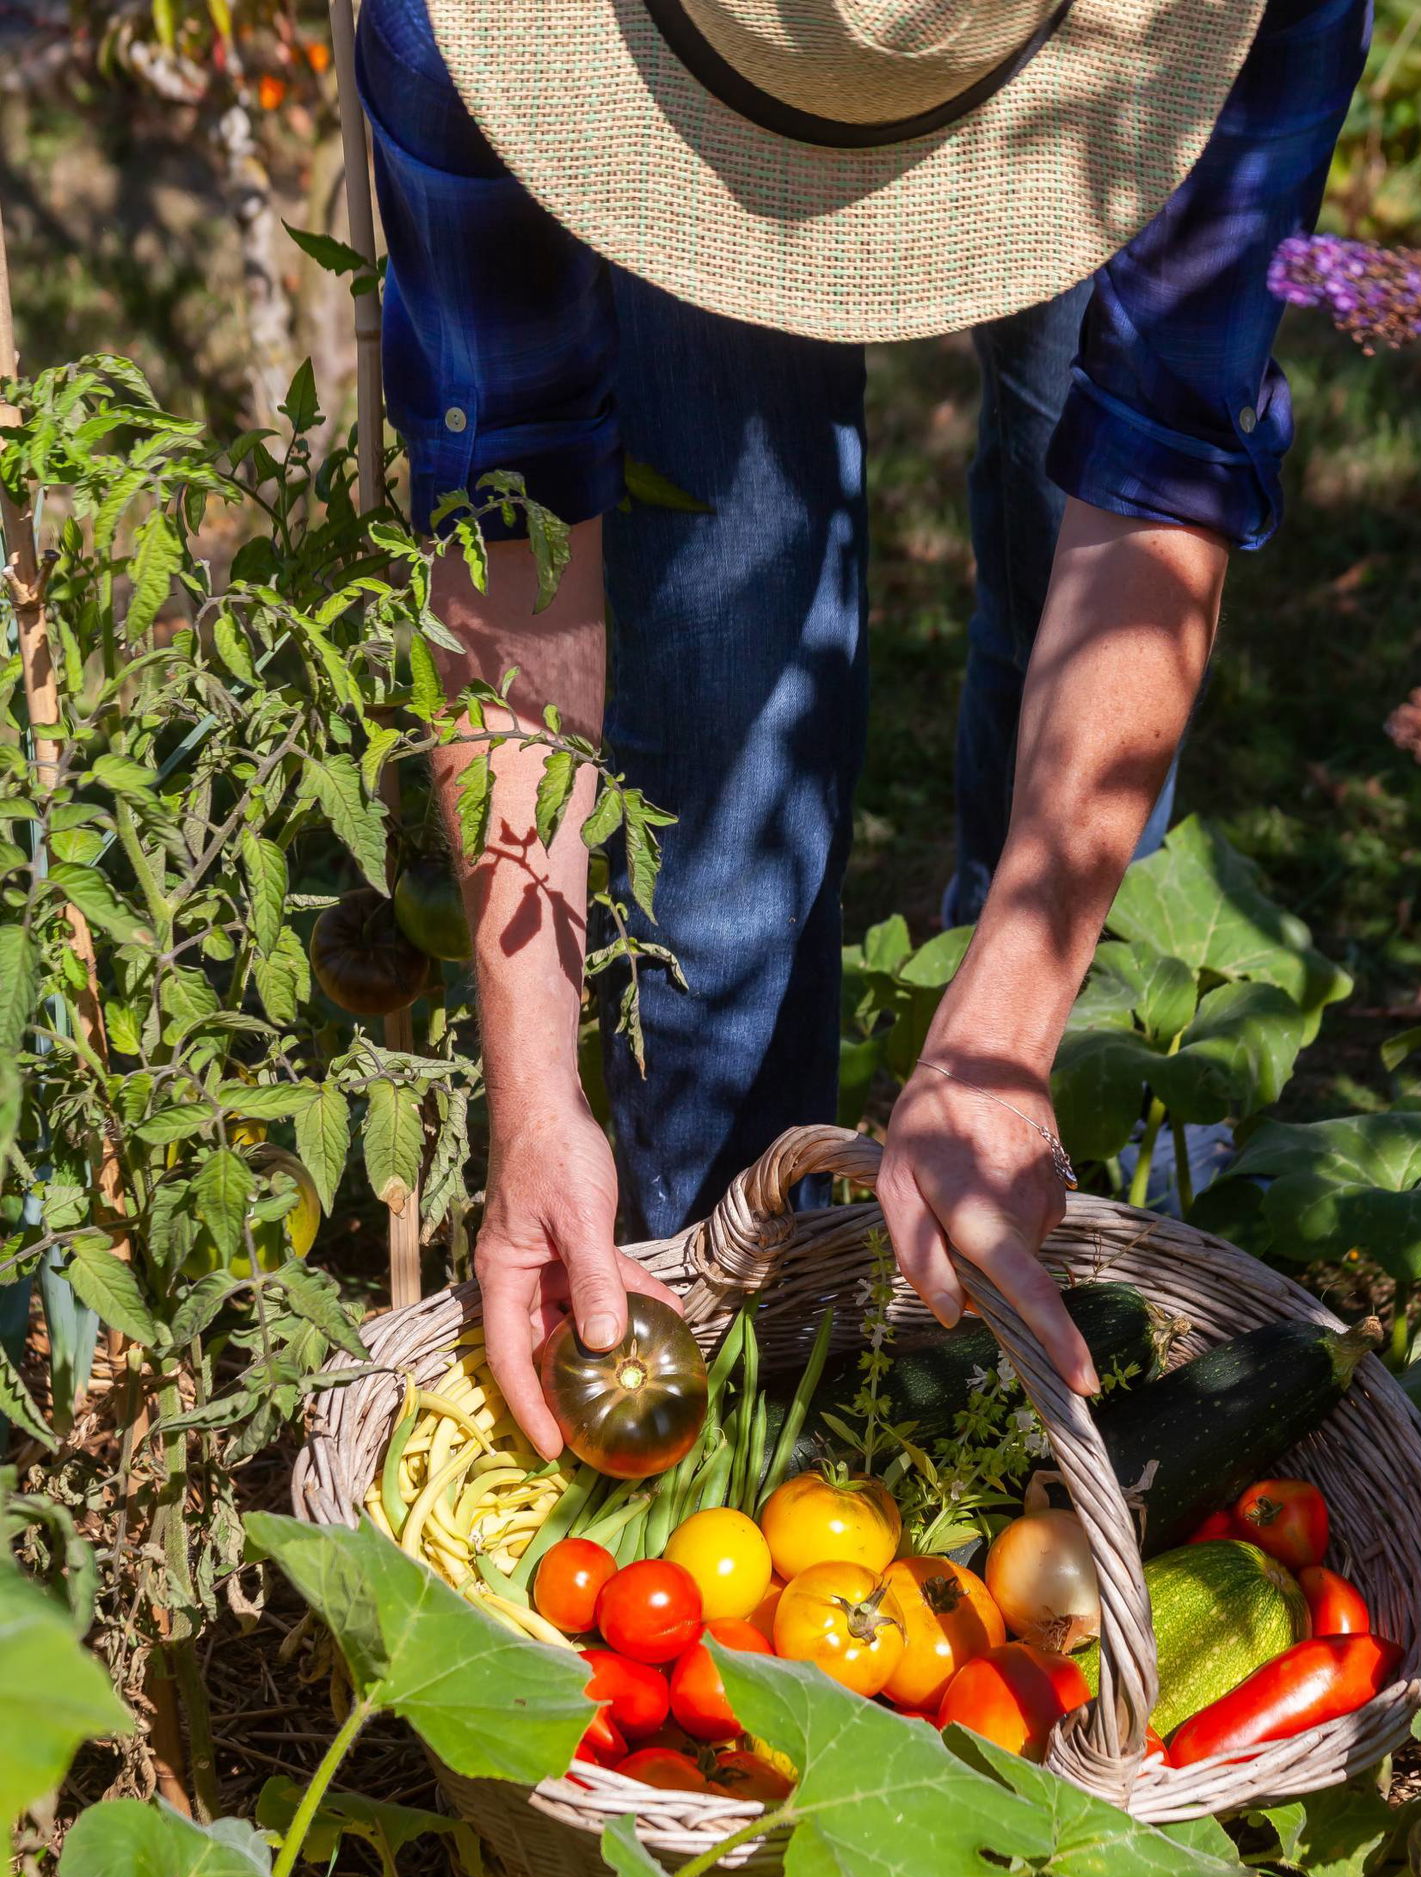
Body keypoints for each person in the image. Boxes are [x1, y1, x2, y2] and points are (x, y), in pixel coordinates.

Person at [356, 0, 1369, 1460]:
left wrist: (1009, 1023)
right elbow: (501, 496)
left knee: (1058, 478)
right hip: (684, 64)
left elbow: (1166, 463)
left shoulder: (1252, 19)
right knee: (712, 628)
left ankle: (1038, 1118)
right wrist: (535, 1092)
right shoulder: (466, 27)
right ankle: (736, 1311)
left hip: (1076, 69)